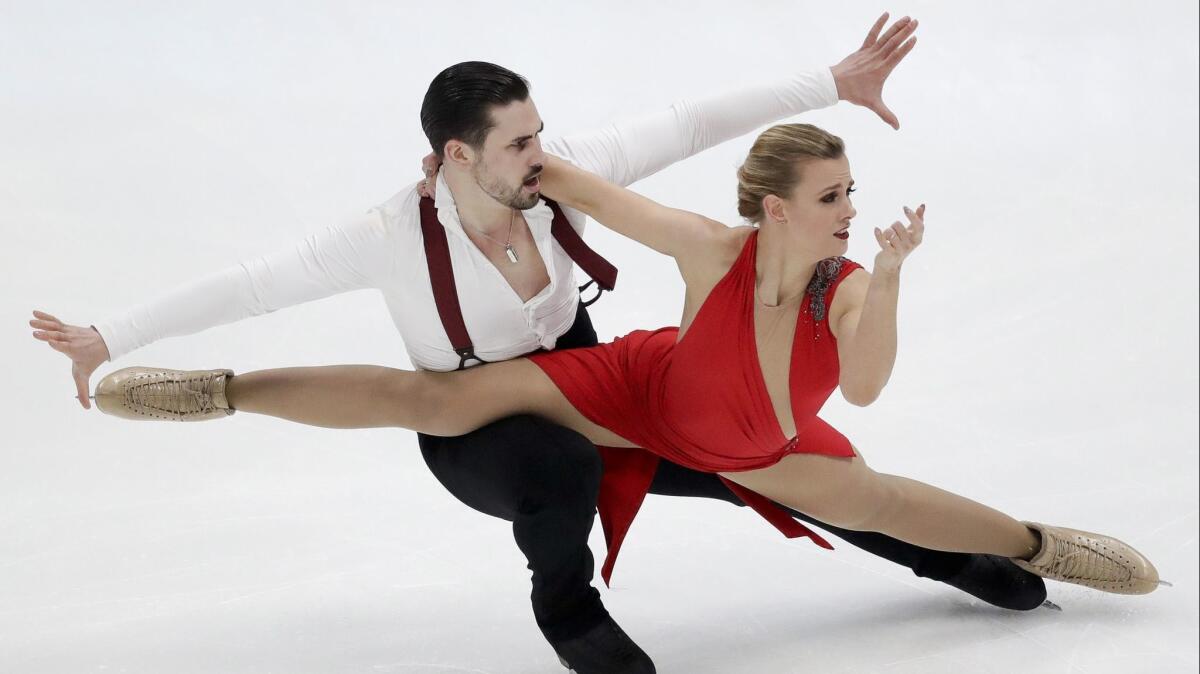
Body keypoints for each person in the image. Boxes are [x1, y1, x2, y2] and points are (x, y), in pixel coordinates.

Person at [31, 15, 1052, 674]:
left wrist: (832, 79)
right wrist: (109, 335)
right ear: (453, 156)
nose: (542, 153)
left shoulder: (550, 171)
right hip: (481, 429)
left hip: (587, 378)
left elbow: (691, 120)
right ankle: (572, 616)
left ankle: (950, 555)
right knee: (556, 469)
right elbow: (252, 283)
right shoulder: (389, 235)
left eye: (541, 131)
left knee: (769, 464)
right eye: (518, 141)